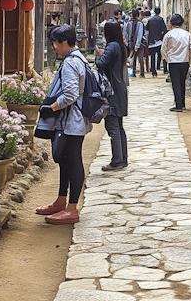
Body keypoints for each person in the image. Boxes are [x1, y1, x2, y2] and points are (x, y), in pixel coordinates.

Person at [36, 25, 91, 225]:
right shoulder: (79, 59)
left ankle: (72, 209)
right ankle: (61, 201)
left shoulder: (70, 63)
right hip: (75, 119)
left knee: (73, 160)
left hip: (71, 120)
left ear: (65, 42)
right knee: (66, 160)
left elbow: (70, 94)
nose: (53, 47)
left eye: (55, 43)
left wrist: (52, 108)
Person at [96, 21, 129, 170]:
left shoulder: (111, 46)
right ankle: (123, 158)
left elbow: (101, 64)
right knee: (119, 127)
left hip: (112, 92)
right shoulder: (120, 46)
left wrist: (98, 56)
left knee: (113, 127)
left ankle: (117, 160)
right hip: (119, 89)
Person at [161, 13, 191, 112]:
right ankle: (182, 103)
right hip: (184, 61)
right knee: (182, 82)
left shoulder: (169, 35)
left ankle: (178, 105)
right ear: (181, 23)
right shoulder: (187, 34)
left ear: (171, 23)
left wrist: (167, 59)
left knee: (175, 83)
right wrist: (189, 58)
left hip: (173, 62)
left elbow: (163, 50)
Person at [146, 6, 167, 78]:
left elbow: (147, 29)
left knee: (152, 57)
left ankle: (153, 72)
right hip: (159, 41)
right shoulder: (160, 19)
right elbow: (164, 30)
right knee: (162, 55)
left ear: (154, 11)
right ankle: (163, 69)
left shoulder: (150, 20)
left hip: (151, 41)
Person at [125, 9, 146, 77]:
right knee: (140, 59)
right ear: (138, 15)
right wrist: (137, 45)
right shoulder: (140, 23)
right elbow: (140, 35)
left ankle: (133, 73)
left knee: (132, 58)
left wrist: (128, 43)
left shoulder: (128, 23)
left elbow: (126, 34)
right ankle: (142, 73)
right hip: (140, 44)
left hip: (131, 44)